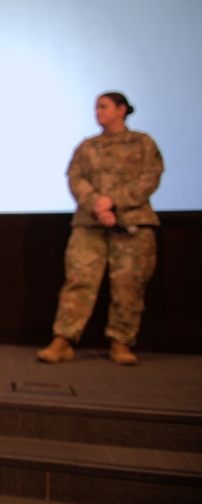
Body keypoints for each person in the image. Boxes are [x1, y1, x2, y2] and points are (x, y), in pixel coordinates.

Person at [37, 92, 163, 367]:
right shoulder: (87, 147)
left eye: (104, 106)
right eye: (96, 107)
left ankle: (121, 342)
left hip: (132, 224)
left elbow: (150, 176)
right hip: (89, 224)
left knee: (128, 285)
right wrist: (97, 204)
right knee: (79, 280)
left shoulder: (142, 143)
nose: (98, 111)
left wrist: (114, 201)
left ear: (121, 110)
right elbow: (75, 177)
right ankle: (63, 340)